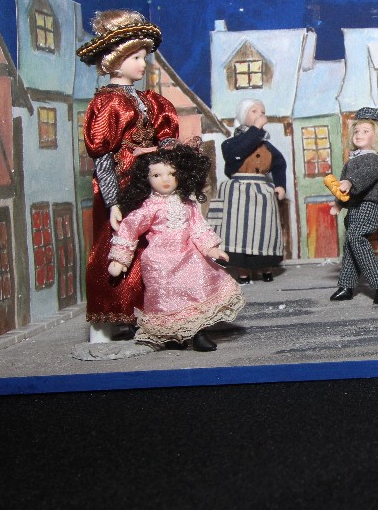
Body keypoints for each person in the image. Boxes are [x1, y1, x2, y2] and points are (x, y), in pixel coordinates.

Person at [76, 10, 180, 343]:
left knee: (151, 247)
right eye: (135, 57)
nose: (142, 64)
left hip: (149, 184)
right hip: (121, 186)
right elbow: (102, 156)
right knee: (113, 248)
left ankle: (148, 315)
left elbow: (166, 137)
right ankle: (104, 323)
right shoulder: (108, 103)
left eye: (143, 57)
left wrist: (165, 152)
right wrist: (112, 201)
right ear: (115, 61)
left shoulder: (151, 101)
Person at [107, 144, 245, 353]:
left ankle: (199, 333)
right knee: (165, 299)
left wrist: (211, 249)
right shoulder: (149, 208)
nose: (165, 180)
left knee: (197, 290)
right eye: (157, 175)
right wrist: (120, 258)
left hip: (189, 256)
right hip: (160, 262)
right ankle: (171, 336)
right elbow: (129, 227)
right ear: (146, 178)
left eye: (172, 174)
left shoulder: (188, 205)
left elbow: (198, 228)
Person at [216, 99, 287, 284]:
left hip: (262, 193)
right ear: (243, 115)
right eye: (254, 111)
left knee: (263, 230)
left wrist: (280, 184)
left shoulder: (267, 146)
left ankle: (266, 268)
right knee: (239, 232)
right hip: (238, 193)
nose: (260, 114)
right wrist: (255, 129)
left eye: (262, 111)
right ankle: (243, 272)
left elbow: (279, 163)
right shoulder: (231, 144)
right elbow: (239, 151)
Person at [329, 107, 378, 304]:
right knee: (350, 244)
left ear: (377, 136)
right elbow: (344, 187)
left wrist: (350, 182)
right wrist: (339, 203)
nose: (359, 134)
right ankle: (346, 286)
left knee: (356, 237)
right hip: (354, 207)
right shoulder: (352, 160)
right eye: (356, 131)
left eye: (366, 131)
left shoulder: (372, 159)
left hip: (368, 205)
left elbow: (364, 176)